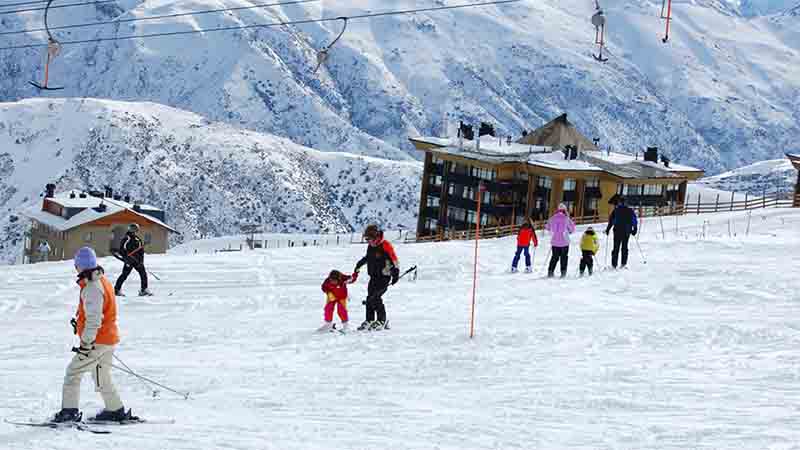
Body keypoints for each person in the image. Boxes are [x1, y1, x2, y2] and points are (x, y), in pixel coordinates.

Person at [52, 247, 137, 423]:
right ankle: (115, 410)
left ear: (81, 266)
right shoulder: (102, 280)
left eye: (76, 265)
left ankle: (69, 412)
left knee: (73, 373)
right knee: (101, 375)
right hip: (108, 338)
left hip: (97, 341)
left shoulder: (92, 287)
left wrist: (86, 343)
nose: (75, 268)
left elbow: (94, 320)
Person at [353, 224, 400, 331]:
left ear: (376, 237)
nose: (368, 241)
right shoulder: (371, 246)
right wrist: (359, 264)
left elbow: (394, 260)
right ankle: (369, 320)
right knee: (369, 298)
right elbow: (368, 257)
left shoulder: (385, 245)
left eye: (369, 239)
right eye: (366, 239)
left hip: (384, 276)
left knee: (376, 297)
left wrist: (395, 273)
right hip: (373, 276)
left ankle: (382, 320)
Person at [114, 223, 152, 296]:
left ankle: (144, 290)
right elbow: (121, 250)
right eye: (134, 229)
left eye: (136, 230)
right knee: (124, 275)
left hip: (137, 261)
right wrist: (126, 257)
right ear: (131, 229)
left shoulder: (137, 239)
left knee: (143, 274)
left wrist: (141, 261)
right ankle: (117, 290)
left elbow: (141, 251)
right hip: (129, 261)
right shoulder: (126, 238)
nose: (135, 231)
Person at [605, 196, 638, 269]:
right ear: (626, 202)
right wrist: (634, 229)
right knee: (624, 247)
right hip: (626, 231)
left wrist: (608, 229)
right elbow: (634, 220)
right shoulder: (630, 211)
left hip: (617, 231)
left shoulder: (616, 210)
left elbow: (611, 221)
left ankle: (614, 265)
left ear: (620, 202)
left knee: (616, 248)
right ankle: (623, 264)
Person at [545, 203, 576, 278]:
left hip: (555, 242)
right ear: (565, 210)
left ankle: (550, 272)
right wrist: (569, 231)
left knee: (554, 257)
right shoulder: (567, 219)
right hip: (564, 242)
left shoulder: (552, 218)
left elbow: (547, 227)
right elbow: (572, 229)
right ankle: (563, 273)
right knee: (564, 257)